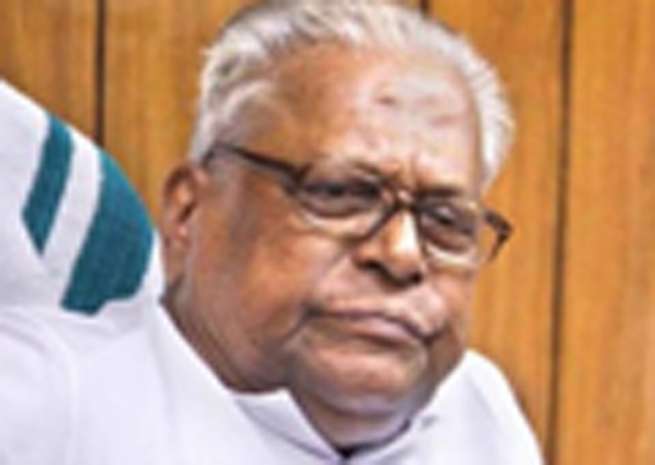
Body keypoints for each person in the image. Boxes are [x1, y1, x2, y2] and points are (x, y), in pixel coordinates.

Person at [0, 1, 543, 463]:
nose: (402, 254)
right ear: (189, 211)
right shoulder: (46, 403)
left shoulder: (476, 413)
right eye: (339, 193)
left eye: (445, 221)